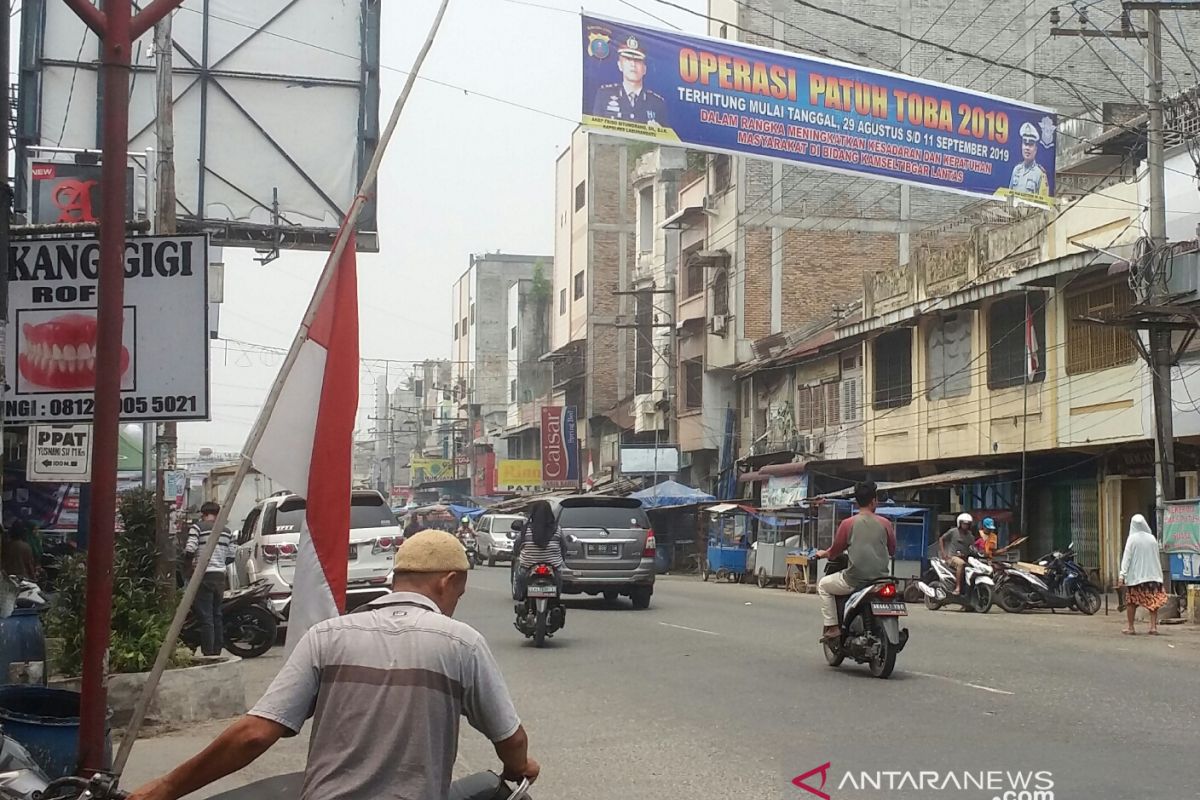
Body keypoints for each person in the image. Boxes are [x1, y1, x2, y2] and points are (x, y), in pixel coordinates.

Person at [127, 530, 539, 800]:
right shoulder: (461, 642)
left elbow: (253, 735)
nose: (454, 604)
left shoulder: (327, 636)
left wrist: (165, 789)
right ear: (448, 582)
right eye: (458, 593)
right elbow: (510, 739)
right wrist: (519, 766)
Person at [813, 482, 896, 642]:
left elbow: (834, 552)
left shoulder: (848, 524)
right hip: (881, 579)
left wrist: (823, 554)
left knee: (823, 585)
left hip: (855, 580)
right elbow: (892, 550)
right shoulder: (886, 523)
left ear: (857, 502)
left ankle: (832, 627)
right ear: (874, 501)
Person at [185, 502, 233, 657]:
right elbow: (231, 556)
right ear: (217, 514)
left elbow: (190, 549)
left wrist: (189, 567)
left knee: (205, 616)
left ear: (203, 514)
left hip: (203, 575)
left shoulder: (197, 527)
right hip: (220, 576)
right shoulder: (226, 531)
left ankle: (208, 651)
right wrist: (219, 563)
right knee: (216, 614)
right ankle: (217, 649)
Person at [590, 35, 669, 127]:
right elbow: (595, 130)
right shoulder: (604, 95)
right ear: (620, 65)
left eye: (638, 60)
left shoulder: (657, 103)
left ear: (644, 69)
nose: (633, 64)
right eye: (628, 59)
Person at [1118, 514, 1168, 636]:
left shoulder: (1132, 539)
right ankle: (1153, 627)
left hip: (1136, 577)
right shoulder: (1152, 539)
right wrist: (1159, 575)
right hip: (1153, 576)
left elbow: (1127, 558)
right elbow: (1156, 557)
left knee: (1131, 602)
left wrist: (1122, 575)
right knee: (1153, 602)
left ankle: (1131, 627)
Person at [512, 500, 568, 610]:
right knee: (559, 582)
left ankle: (523, 599)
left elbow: (517, 546)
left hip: (528, 566)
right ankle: (555, 602)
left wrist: (517, 554)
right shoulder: (557, 530)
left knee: (519, 578)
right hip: (553, 567)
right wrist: (561, 558)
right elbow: (564, 547)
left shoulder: (525, 530)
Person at [1008, 122, 1049, 197]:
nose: (1027, 148)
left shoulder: (1040, 174)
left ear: (1035, 149)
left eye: (1030, 144)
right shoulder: (1016, 170)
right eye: (1025, 144)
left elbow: (1044, 203)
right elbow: (1009, 196)